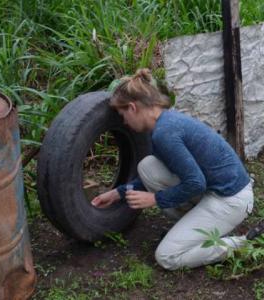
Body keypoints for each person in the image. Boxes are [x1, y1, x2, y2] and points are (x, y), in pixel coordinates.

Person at [91, 68, 255, 270]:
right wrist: (118, 193)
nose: (124, 122)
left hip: (230, 199)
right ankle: (194, 228)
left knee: (167, 256)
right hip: (217, 191)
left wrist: (155, 199)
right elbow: (178, 173)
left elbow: (195, 182)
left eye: (123, 115)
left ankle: (246, 243)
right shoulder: (165, 122)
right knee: (148, 167)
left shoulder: (165, 133)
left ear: (132, 108)